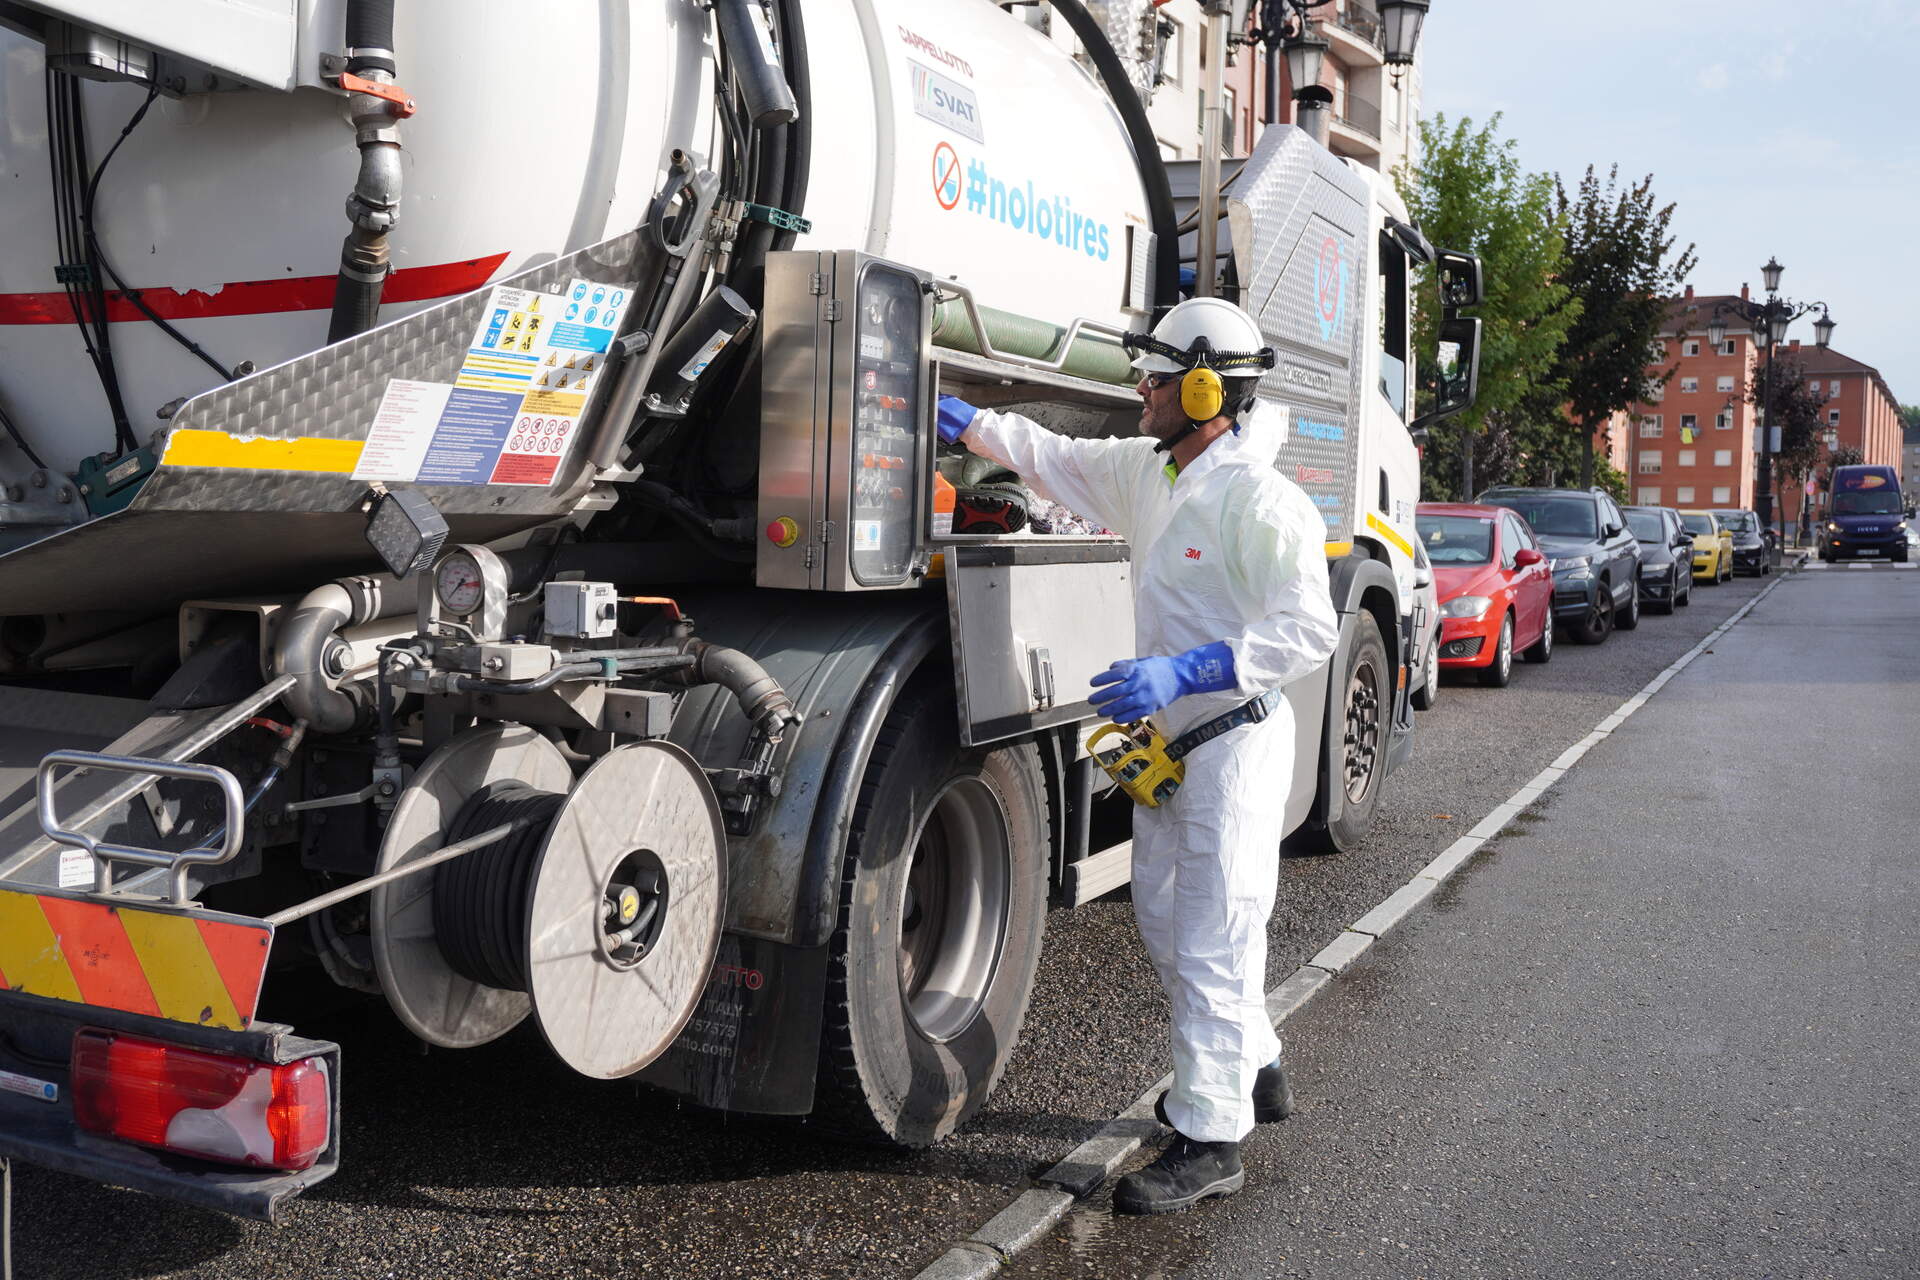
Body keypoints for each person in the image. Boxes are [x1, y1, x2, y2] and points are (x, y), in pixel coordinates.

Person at [936, 297, 1340, 1214]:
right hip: (1172, 750)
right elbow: (1055, 458)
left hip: (1233, 746)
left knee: (1213, 939)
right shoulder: (1153, 471)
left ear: (1206, 389)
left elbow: (1308, 624)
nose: (1140, 390)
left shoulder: (1261, 499)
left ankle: (1210, 1138)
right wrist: (965, 421)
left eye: (1155, 377)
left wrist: (1191, 670)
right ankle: (1258, 1067)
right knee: (1170, 925)